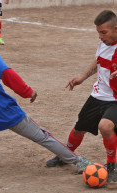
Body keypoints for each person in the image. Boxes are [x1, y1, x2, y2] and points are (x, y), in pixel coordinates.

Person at [0, 29, 92, 172]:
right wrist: (27, 92)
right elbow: (8, 75)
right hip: (6, 113)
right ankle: (78, 161)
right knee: (42, 136)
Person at [46, 10, 117, 183]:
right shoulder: (104, 43)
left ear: (116, 28)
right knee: (79, 128)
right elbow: (98, 61)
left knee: (105, 126)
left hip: (115, 99)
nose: (100, 37)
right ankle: (65, 155)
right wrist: (82, 77)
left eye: (103, 32)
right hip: (98, 95)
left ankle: (112, 166)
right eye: (99, 33)